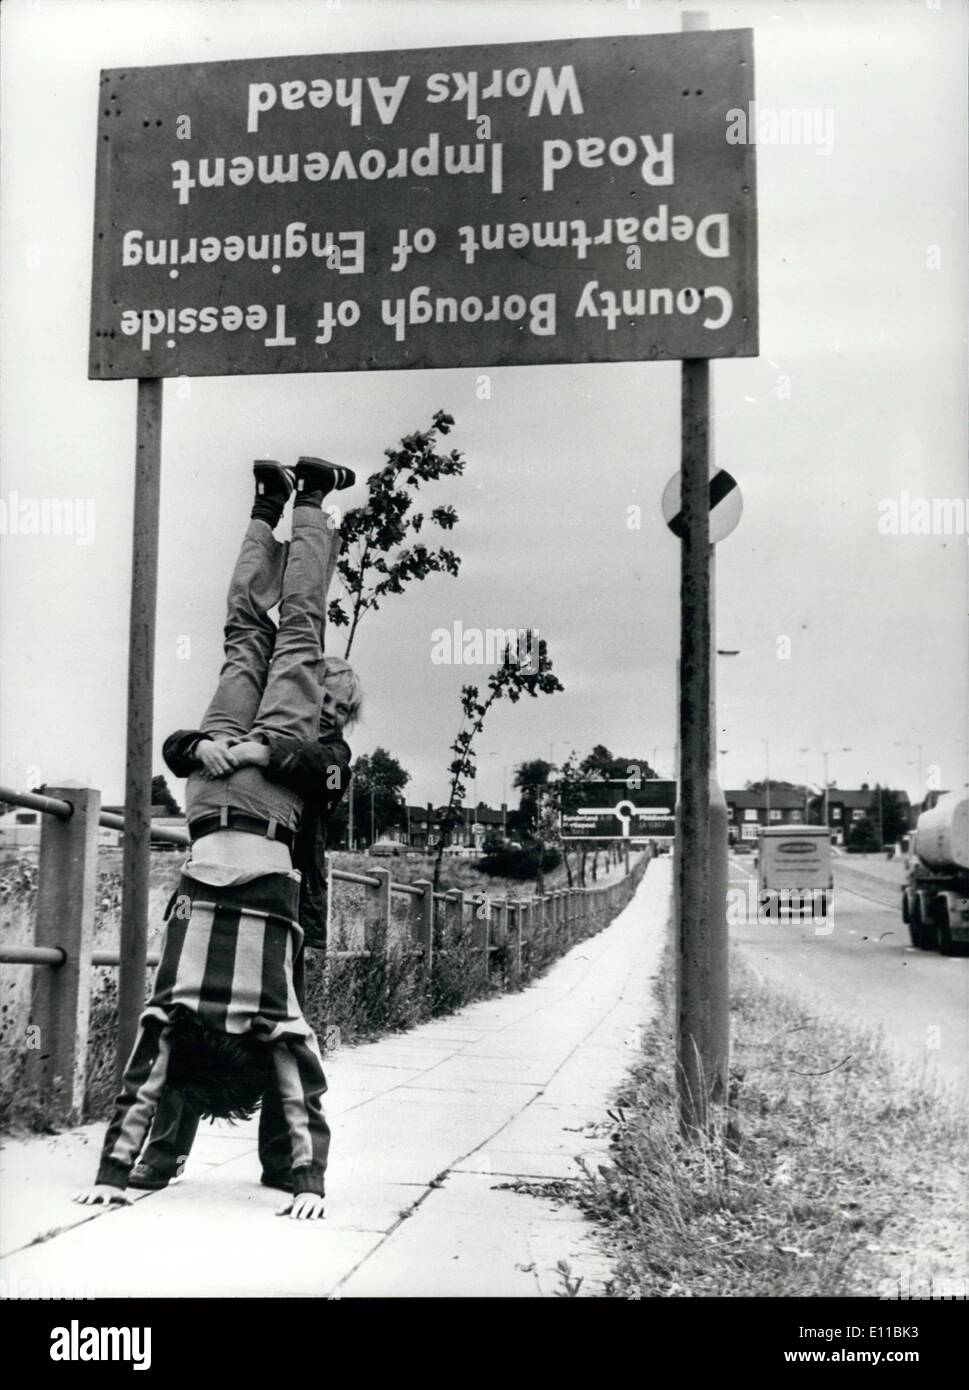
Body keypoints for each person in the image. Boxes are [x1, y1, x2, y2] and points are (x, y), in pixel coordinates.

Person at [74, 455, 358, 1220]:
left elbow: (153, 1071)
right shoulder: (244, 1008)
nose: (324, 701)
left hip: (220, 796)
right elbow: (297, 1068)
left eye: (333, 702)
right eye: (325, 698)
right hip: (254, 804)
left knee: (245, 635)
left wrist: (200, 750)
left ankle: (271, 506)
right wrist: (308, 1183)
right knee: (292, 629)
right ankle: (307, 504)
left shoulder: (185, 1008)